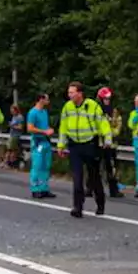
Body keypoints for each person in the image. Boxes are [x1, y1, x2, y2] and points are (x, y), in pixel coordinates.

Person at [55, 82, 113, 218]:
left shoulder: (92, 106)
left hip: (90, 144)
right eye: (69, 92)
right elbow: (63, 127)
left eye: (72, 92)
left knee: (94, 177)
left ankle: (100, 203)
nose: (69, 95)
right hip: (75, 145)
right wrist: (61, 145)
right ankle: (77, 207)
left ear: (80, 93)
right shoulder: (67, 107)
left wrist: (107, 139)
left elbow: (103, 123)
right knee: (77, 177)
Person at [96, 87, 125, 199]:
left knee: (112, 168)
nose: (107, 101)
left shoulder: (114, 112)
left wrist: (111, 133)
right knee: (95, 167)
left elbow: (118, 125)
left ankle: (114, 190)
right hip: (98, 143)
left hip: (111, 145)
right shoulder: (96, 111)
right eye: (105, 99)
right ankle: (90, 188)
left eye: (109, 99)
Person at [26, 94, 56, 198]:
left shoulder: (44, 112)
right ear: (41, 99)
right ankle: (35, 188)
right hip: (37, 141)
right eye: (46, 99)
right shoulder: (33, 112)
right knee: (37, 165)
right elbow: (29, 128)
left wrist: (49, 130)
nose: (48, 101)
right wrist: (44, 131)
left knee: (46, 165)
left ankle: (44, 188)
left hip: (46, 141)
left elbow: (45, 126)